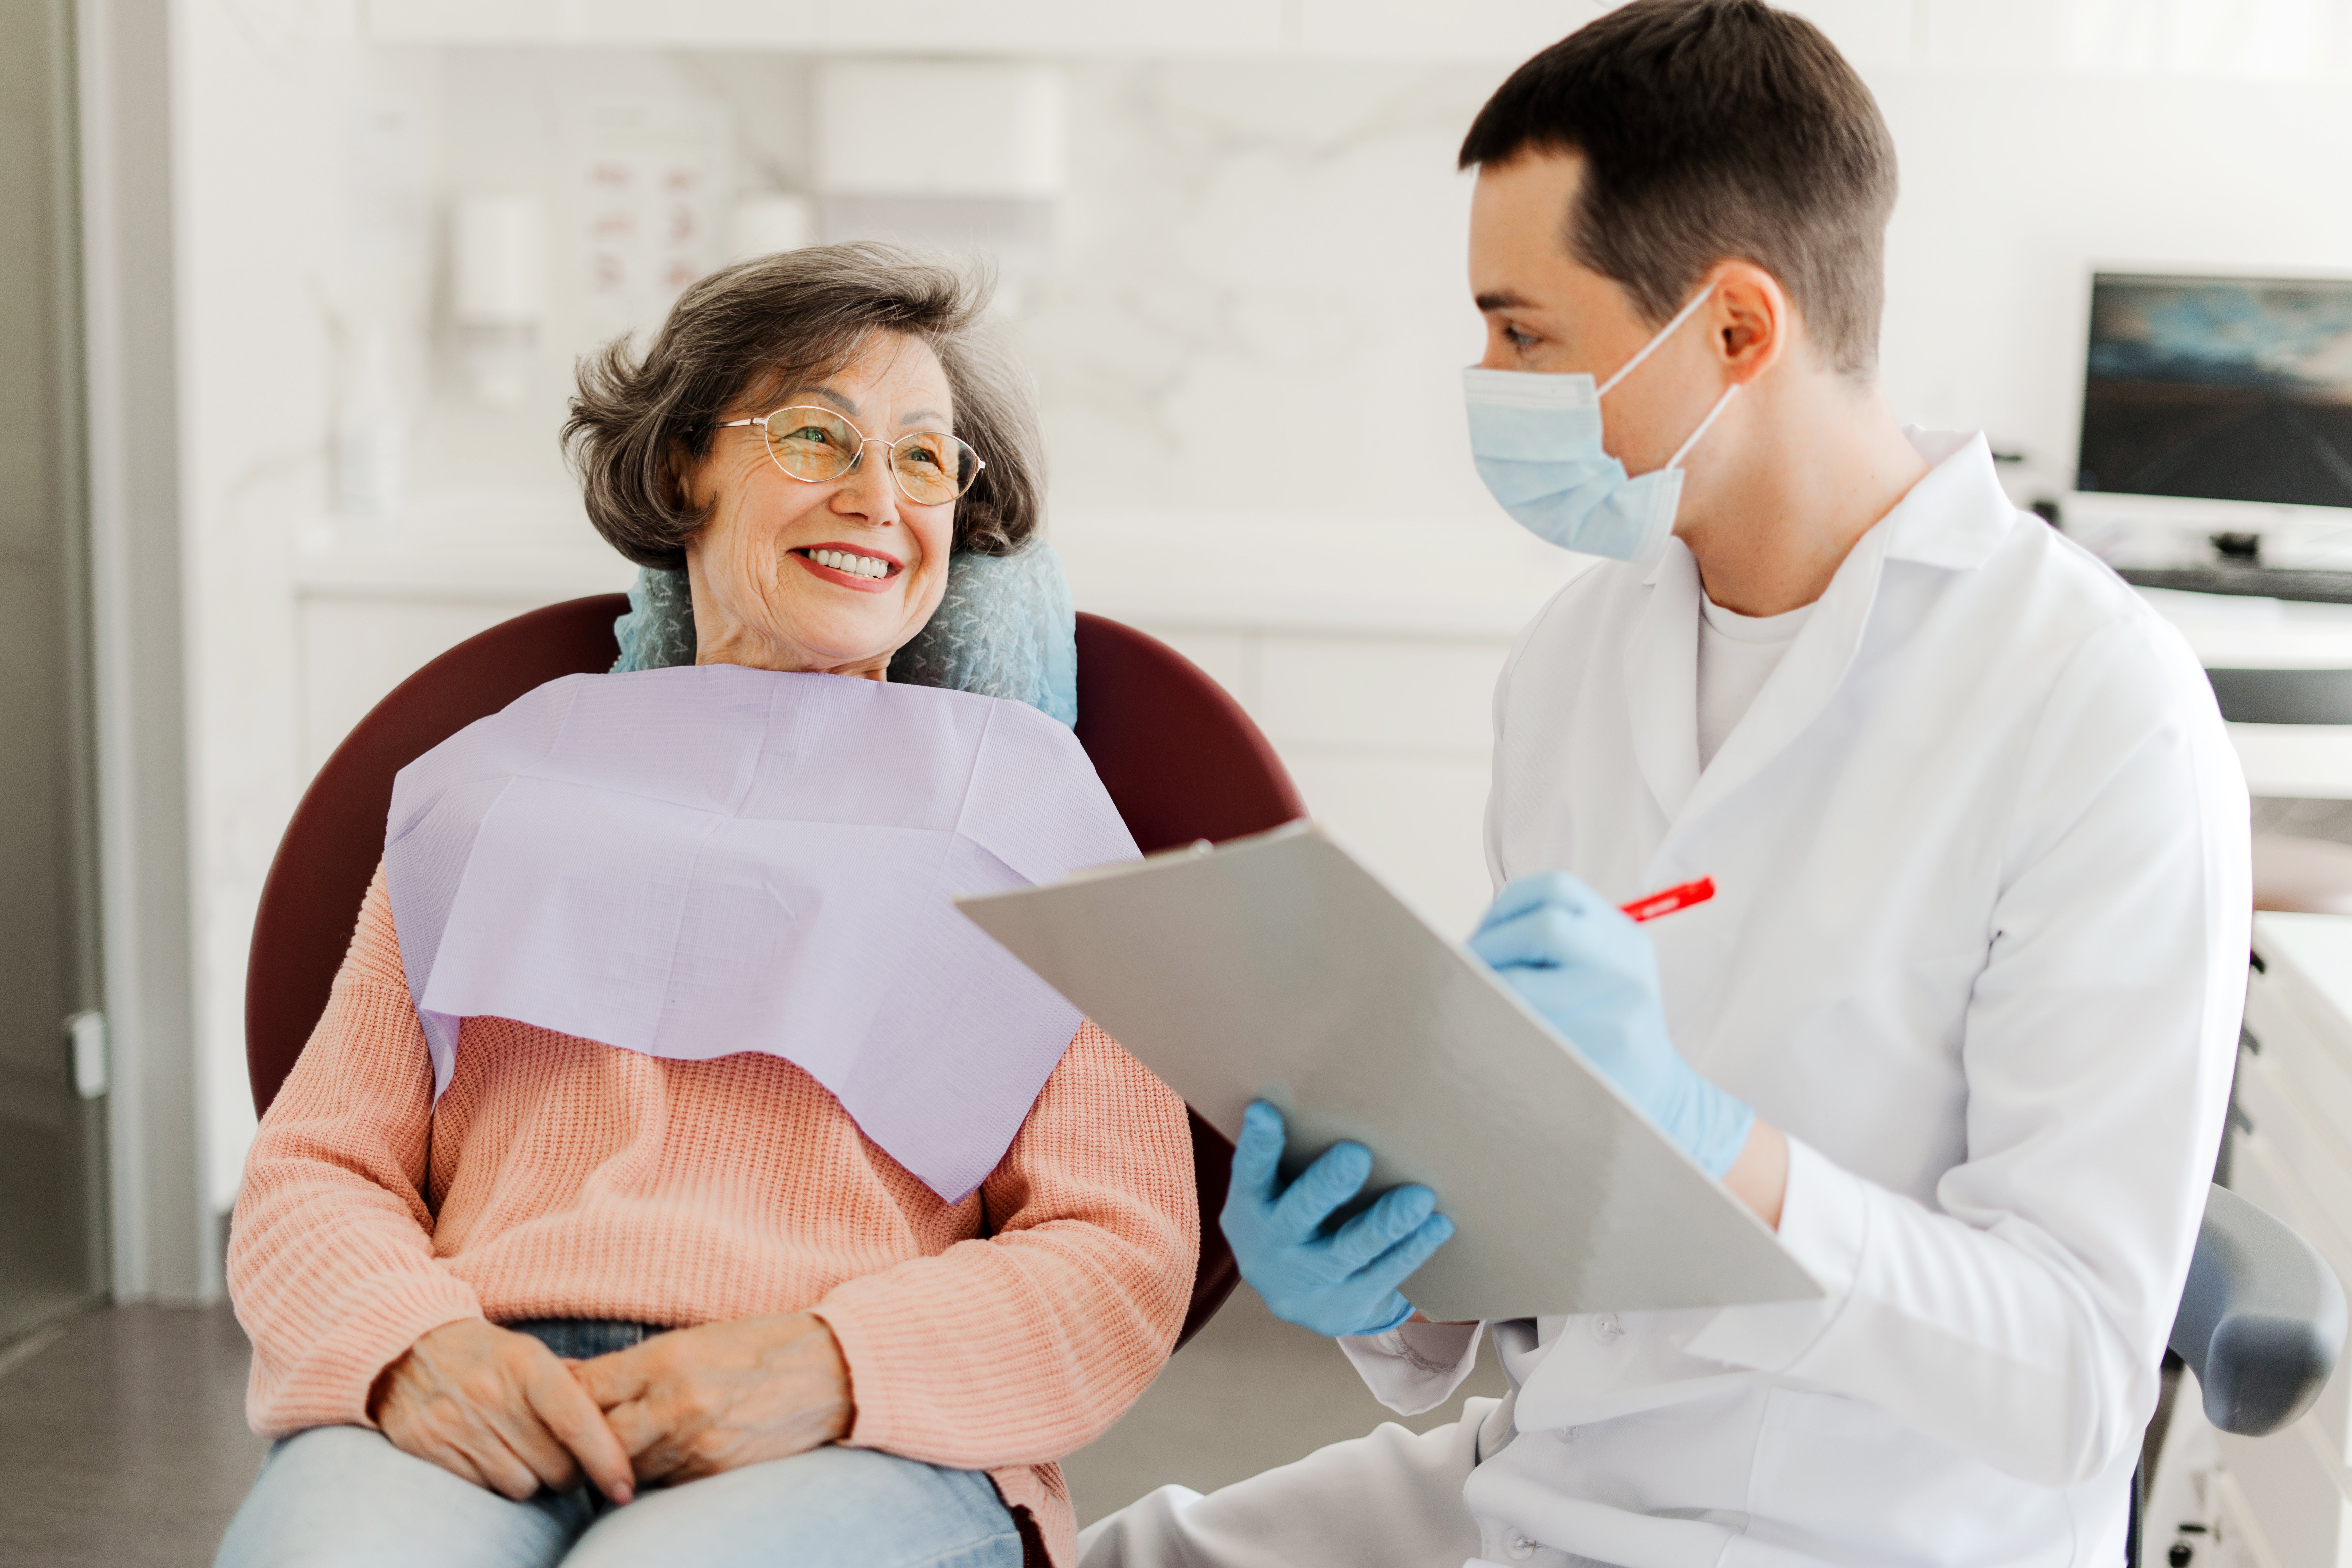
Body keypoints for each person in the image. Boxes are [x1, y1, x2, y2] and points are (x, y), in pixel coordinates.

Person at [1081, 4, 2246, 1565]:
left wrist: (1724, 1155)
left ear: (1737, 331)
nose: (1488, 378)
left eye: (1525, 332)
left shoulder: (2096, 706)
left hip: (1867, 1537)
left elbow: (2074, 1381)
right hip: (1553, 1479)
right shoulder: (1574, 658)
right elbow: (1540, 1227)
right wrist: (1393, 1271)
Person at [217, 245, 1197, 1568]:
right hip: (484, 1376)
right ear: (687, 465)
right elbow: (319, 1163)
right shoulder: (508, 777)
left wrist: (834, 1363)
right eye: (816, 435)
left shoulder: (1029, 813)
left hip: (851, 1434)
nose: (876, 497)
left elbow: (1118, 1246)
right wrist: (408, 1345)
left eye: (922, 460)